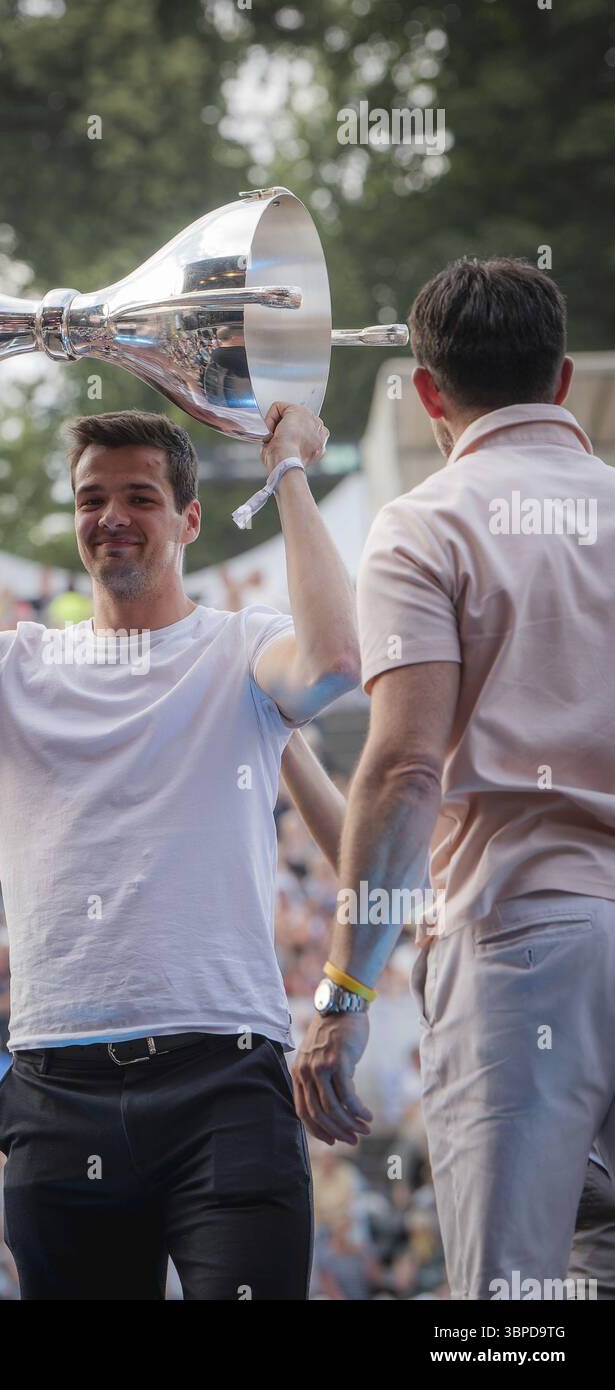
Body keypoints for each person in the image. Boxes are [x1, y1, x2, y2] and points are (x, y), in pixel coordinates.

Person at [0, 404, 360, 1299]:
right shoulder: (6, 665)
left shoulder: (241, 646)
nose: (111, 517)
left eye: (140, 497)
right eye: (90, 498)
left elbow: (337, 659)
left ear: (188, 520)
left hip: (223, 1084)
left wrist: (287, 471)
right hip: (55, 1087)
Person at [292, 257, 615, 1300]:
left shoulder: (425, 523)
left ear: (427, 392)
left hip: (522, 945)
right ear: (562, 380)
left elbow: (403, 765)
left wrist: (345, 988)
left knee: (507, 1306)